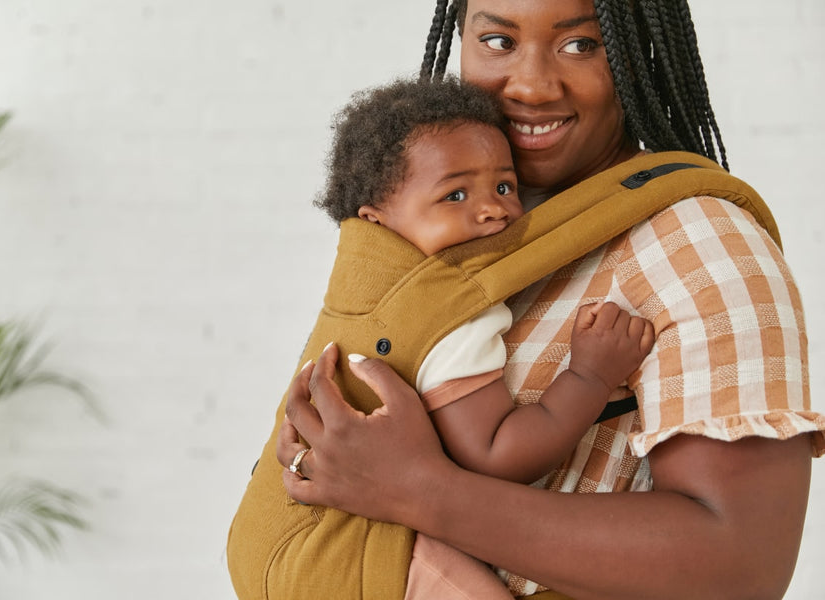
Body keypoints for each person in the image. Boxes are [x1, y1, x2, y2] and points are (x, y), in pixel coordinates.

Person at [276, 0, 825, 598]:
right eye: (498, 41)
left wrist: (416, 490)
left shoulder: (699, 241)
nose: (531, 86)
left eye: (580, 45)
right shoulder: (463, 224)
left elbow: (739, 566)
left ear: (635, 58)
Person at [309, 77, 655, 598]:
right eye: (454, 194)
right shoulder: (451, 314)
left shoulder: (359, 293)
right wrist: (589, 375)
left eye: (504, 186)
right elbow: (497, 456)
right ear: (376, 221)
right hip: (362, 553)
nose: (493, 209)